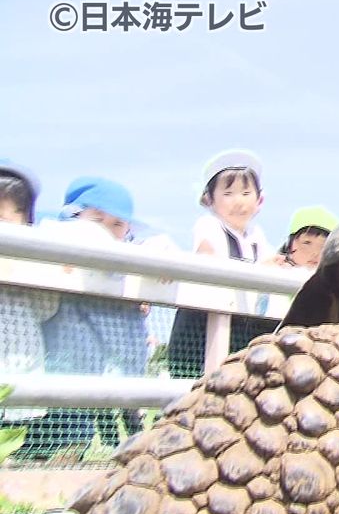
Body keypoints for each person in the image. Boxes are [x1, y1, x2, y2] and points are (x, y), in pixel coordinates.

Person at [39, 178, 149, 454]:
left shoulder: (132, 261)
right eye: (97, 220)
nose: (106, 232)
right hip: (58, 369)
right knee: (55, 442)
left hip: (102, 374)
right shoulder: (55, 238)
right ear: (75, 216)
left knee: (80, 443)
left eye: (117, 224)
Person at [167, 149, 280, 379]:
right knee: (193, 386)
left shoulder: (257, 237)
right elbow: (208, 255)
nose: (238, 201)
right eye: (228, 193)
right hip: (200, 329)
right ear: (209, 199)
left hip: (241, 328)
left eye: (246, 192)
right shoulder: (209, 226)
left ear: (259, 199)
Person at [0, 161, 59, 459]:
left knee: (17, 440)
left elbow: (46, 309)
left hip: (22, 355)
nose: (7, 222)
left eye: (16, 213)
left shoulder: (33, 259)